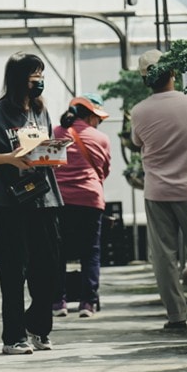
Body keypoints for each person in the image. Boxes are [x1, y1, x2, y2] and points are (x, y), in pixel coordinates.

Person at [0, 52, 63, 355]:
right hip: (11, 201)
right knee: (13, 271)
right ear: (18, 79)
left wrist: (54, 155)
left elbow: (42, 145)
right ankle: (13, 336)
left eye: (41, 75)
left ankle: (38, 326)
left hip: (45, 196)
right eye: (33, 75)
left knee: (47, 268)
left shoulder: (41, 110)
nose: (39, 81)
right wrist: (10, 159)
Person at [130, 49, 187, 330]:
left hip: (158, 192)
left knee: (164, 256)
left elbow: (137, 142)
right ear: (173, 73)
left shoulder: (139, 112)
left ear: (145, 80)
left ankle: (176, 316)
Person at [52, 94, 111, 319]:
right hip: (90, 200)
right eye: (98, 118)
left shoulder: (55, 133)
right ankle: (87, 303)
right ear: (90, 116)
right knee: (91, 252)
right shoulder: (101, 138)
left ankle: (58, 302)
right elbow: (104, 171)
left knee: (57, 252)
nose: (99, 123)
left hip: (59, 201)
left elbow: (48, 165)